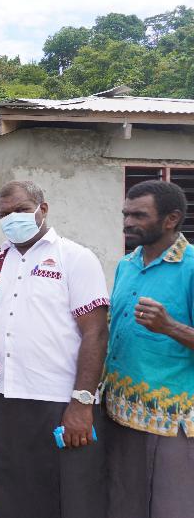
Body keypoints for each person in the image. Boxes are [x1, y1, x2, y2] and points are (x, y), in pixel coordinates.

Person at [0, 181, 109, 518]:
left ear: (43, 209)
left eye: (21, 210)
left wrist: (82, 403)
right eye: (5, 214)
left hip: (63, 400)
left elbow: (96, 333)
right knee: (15, 494)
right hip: (11, 398)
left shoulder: (75, 257)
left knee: (73, 497)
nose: (13, 218)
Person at [102, 180, 194, 518]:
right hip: (120, 413)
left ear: (171, 219)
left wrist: (170, 326)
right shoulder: (126, 265)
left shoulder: (191, 268)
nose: (128, 222)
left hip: (170, 421)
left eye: (139, 215)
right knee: (123, 505)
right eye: (125, 214)